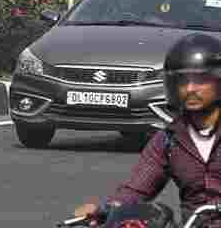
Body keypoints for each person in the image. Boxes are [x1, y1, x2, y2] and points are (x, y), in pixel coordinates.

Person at [74, 33, 221, 227]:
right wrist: (104, 210)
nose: (190, 88)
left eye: (200, 80)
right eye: (183, 81)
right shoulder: (169, 140)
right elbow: (136, 190)